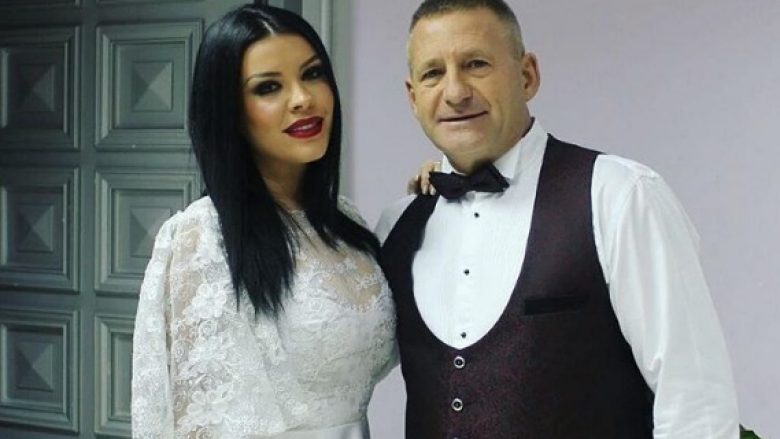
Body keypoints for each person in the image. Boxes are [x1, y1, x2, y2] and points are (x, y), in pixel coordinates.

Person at [376, 0, 740, 437]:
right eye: (433, 73)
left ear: (527, 76)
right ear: (413, 97)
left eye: (476, 64)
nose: (455, 92)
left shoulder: (618, 195)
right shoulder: (397, 226)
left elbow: (696, 403)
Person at [131, 4, 397, 438]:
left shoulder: (345, 222)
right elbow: (198, 420)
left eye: (312, 74)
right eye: (269, 87)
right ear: (230, 111)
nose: (302, 98)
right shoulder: (203, 236)